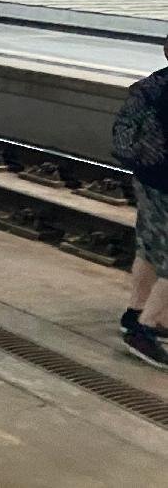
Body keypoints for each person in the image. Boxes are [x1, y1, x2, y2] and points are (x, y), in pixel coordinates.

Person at [112, 34, 168, 369]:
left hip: (146, 177)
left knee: (149, 248)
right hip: (165, 181)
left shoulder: (156, 82)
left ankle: (135, 313)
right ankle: (145, 331)